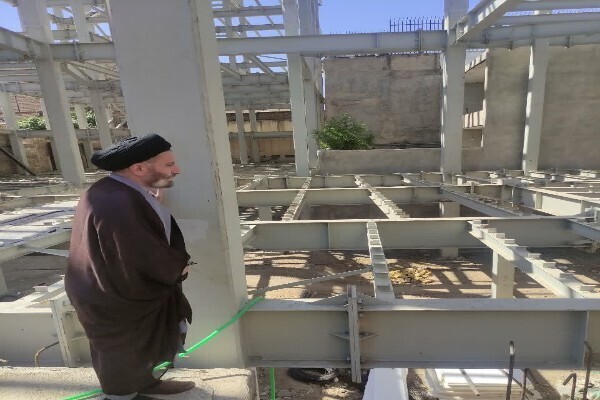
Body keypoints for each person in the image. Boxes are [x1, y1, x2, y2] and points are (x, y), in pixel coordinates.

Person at [65, 133, 195, 400]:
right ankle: (121, 396)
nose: (177, 170)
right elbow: (137, 252)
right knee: (122, 351)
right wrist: (177, 267)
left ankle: (147, 383)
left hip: (116, 286)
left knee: (144, 345)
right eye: (169, 164)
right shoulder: (118, 202)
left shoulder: (120, 191)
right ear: (138, 168)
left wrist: (151, 201)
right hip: (112, 295)